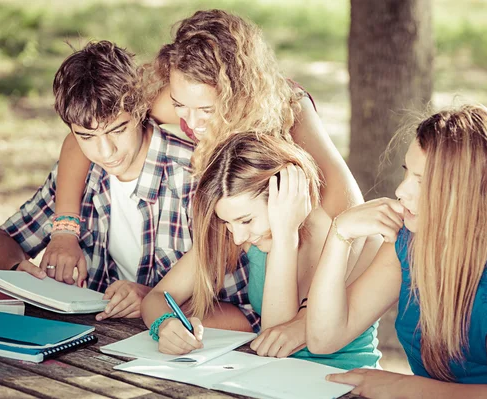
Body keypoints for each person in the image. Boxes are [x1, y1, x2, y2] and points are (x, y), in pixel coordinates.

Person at [40, 9, 364, 291]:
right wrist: (66, 230)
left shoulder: (289, 114)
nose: (192, 123)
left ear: (239, 93)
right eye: (180, 105)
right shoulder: (183, 99)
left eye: (207, 110)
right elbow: (81, 136)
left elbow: (348, 210)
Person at [0, 41, 251, 324]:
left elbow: (243, 313)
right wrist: (19, 270)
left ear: (139, 112)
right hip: (96, 343)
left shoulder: (195, 181)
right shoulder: (82, 173)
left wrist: (155, 300)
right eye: (86, 136)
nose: (105, 152)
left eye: (118, 129)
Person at [306, 104, 487, 398]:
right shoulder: (413, 241)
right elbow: (325, 338)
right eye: (407, 173)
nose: (401, 191)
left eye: (422, 181)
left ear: (465, 191)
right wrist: (340, 234)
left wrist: (402, 386)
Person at [141, 133, 383, 369]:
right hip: (272, 380)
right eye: (228, 223)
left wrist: (285, 236)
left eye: (246, 220)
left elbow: (277, 340)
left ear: (285, 194)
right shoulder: (248, 237)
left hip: (348, 383)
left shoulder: (356, 240)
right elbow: (158, 296)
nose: (237, 238)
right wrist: (165, 324)